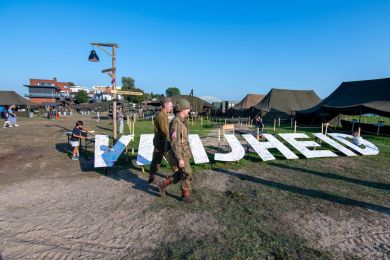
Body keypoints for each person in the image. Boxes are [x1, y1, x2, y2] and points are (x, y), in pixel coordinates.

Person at [159, 99, 196, 203]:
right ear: (183, 109)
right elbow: (175, 142)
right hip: (180, 153)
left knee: (181, 173)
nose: (189, 110)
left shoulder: (182, 121)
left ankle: (163, 184)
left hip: (184, 152)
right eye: (188, 108)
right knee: (187, 173)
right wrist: (179, 158)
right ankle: (185, 195)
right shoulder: (176, 122)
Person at [148, 97, 178, 184]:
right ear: (165, 105)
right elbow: (165, 131)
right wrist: (170, 141)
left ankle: (151, 177)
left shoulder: (163, 114)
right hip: (162, 142)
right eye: (170, 106)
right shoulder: (162, 115)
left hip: (159, 141)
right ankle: (179, 174)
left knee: (156, 159)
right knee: (171, 158)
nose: (172, 107)